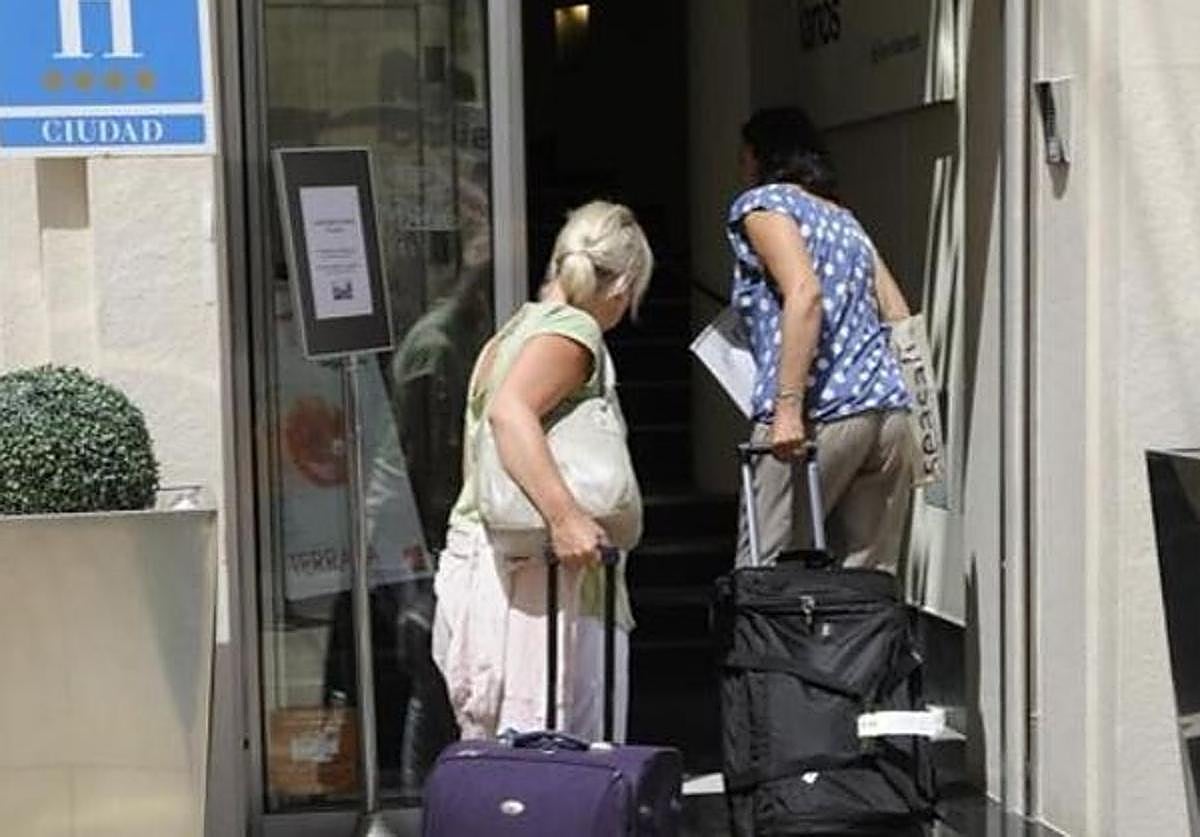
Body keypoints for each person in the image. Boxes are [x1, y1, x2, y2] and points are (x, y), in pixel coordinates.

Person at [432, 200, 654, 742]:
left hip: (494, 571)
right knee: (572, 771)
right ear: (624, 285)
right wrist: (566, 517)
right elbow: (512, 413)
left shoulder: (513, 332)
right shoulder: (574, 331)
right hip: (551, 585)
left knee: (512, 777)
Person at [728, 107, 914, 573]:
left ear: (758, 156)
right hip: (886, 409)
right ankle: (859, 651)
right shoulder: (844, 218)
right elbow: (898, 312)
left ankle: (767, 650)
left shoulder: (765, 206)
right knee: (865, 575)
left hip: (820, 411)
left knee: (766, 565)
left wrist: (787, 407)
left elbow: (804, 292)